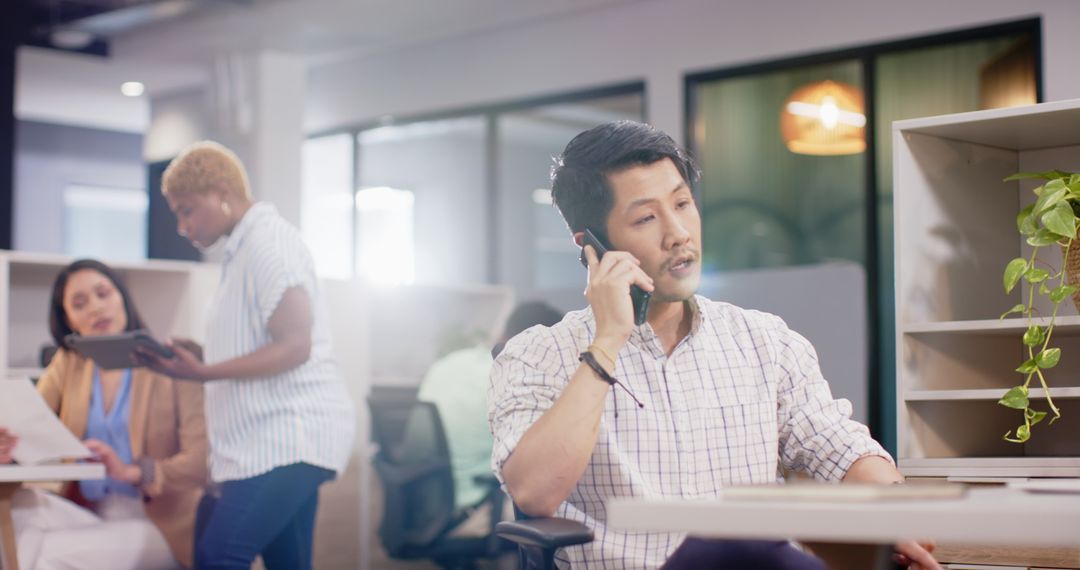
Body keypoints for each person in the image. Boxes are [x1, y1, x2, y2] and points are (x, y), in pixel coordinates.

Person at [487, 121, 941, 569]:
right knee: (739, 542)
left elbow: (838, 447)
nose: (678, 233)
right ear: (592, 247)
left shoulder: (764, 340)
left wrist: (892, 508)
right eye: (646, 218)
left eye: (683, 204)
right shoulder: (538, 355)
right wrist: (608, 340)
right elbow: (534, 491)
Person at [139, 141, 356, 570]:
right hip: (272, 440)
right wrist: (203, 356)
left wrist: (203, 372)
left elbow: (295, 345)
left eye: (188, 210)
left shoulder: (269, 244)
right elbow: (265, 341)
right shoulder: (243, 250)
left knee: (218, 555)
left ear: (223, 191)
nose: (182, 227)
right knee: (286, 563)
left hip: (286, 438)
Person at [0, 258, 208, 570]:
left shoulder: (171, 362)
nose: (96, 308)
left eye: (103, 293)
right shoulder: (70, 363)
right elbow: (29, 420)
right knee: (16, 512)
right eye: (79, 303)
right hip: (90, 512)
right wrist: (9, 440)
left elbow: (201, 459)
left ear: (122, 297)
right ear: (69, 319)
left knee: (46, 555)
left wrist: (131, 472)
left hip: (158, 522)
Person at [416, 300, 562, 536]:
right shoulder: (518, 377)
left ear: (504, 330)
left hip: (424, 503)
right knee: (561, 507)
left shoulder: (450, 362)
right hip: (471, 509)